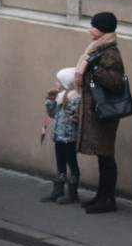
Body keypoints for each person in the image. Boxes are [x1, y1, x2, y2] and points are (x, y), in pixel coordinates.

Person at [76, 12, 126, 214]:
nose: (90, 29)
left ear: (103, 29)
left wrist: (96, 68)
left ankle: (108, 199)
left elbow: (116, 83)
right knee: (102, 156)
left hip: (105, 113)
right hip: (96, 111)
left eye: (93, 26)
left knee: (106, 155)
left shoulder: (110, 53)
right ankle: (101, 196)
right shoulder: (98, 49)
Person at [41, 68, 82, 204]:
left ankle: (72, 192)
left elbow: (75, 115)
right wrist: (50, 100)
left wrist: (76, 116)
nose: (57, 83)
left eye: (59, 81)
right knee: (60, 162)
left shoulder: (76, 98)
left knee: (72, 163)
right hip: (59, 136)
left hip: (69, 137)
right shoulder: (61, 96)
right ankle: (58, 189)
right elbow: (53, 114)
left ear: (66, 83)